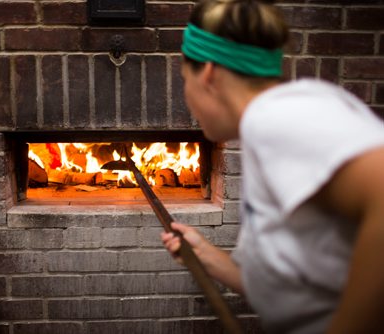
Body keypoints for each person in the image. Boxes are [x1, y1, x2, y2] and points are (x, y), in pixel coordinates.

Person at [160, 0, 384, 333]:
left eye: (183, 78)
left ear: (207, 73)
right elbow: (295, 293)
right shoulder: (279, 116)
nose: (186, 95)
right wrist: (205, 254)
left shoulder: (274, 117)